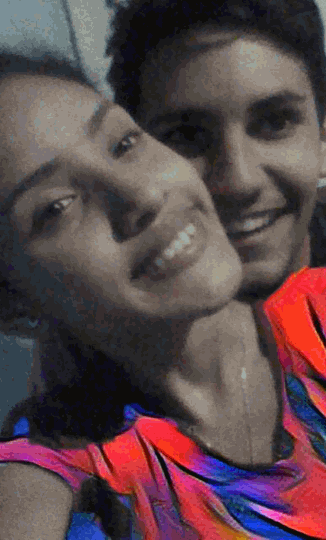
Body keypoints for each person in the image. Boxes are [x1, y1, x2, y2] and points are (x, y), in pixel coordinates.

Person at [0, 50, 246, 540]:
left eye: (123, 143)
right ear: (14, 303)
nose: (144, 195)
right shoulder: (58, 476)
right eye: (57, 207)